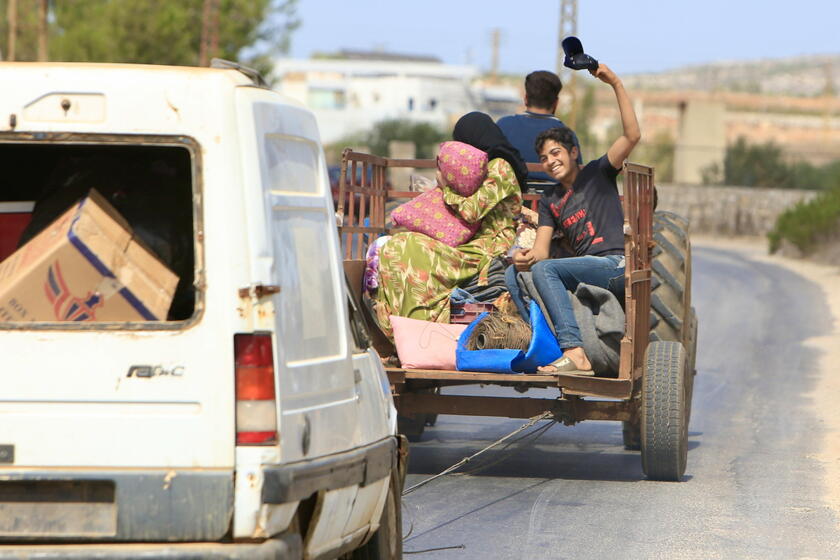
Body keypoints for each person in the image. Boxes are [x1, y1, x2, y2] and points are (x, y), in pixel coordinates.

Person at [504, 63, 640, 374]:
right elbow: (541, 252)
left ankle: (575, 351)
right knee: (516, 275)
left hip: (616, 264)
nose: (550, 161)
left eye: (556, 153)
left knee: (549, 272)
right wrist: (523, 259)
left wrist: (615, 82)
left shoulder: (598, 173)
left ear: (573, 153)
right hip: (587, 269)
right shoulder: (549, 200)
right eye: (544, 158)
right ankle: (547, 344)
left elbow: (632, 135)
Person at [370, 112, 525, 339]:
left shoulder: (500, 167)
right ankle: (402, 331)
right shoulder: (480, 170)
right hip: (469, 243)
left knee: (412, 247)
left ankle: (422, 331)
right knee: (395, 247)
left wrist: (446, 187)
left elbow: (472, 211)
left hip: (488, 247)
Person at [496, 70, 582, 189]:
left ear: (525, 99)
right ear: (556, 103)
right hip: (556, 205)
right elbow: (577, 176)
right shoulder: (566, 134)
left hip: (512, 202)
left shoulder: (503, 125)